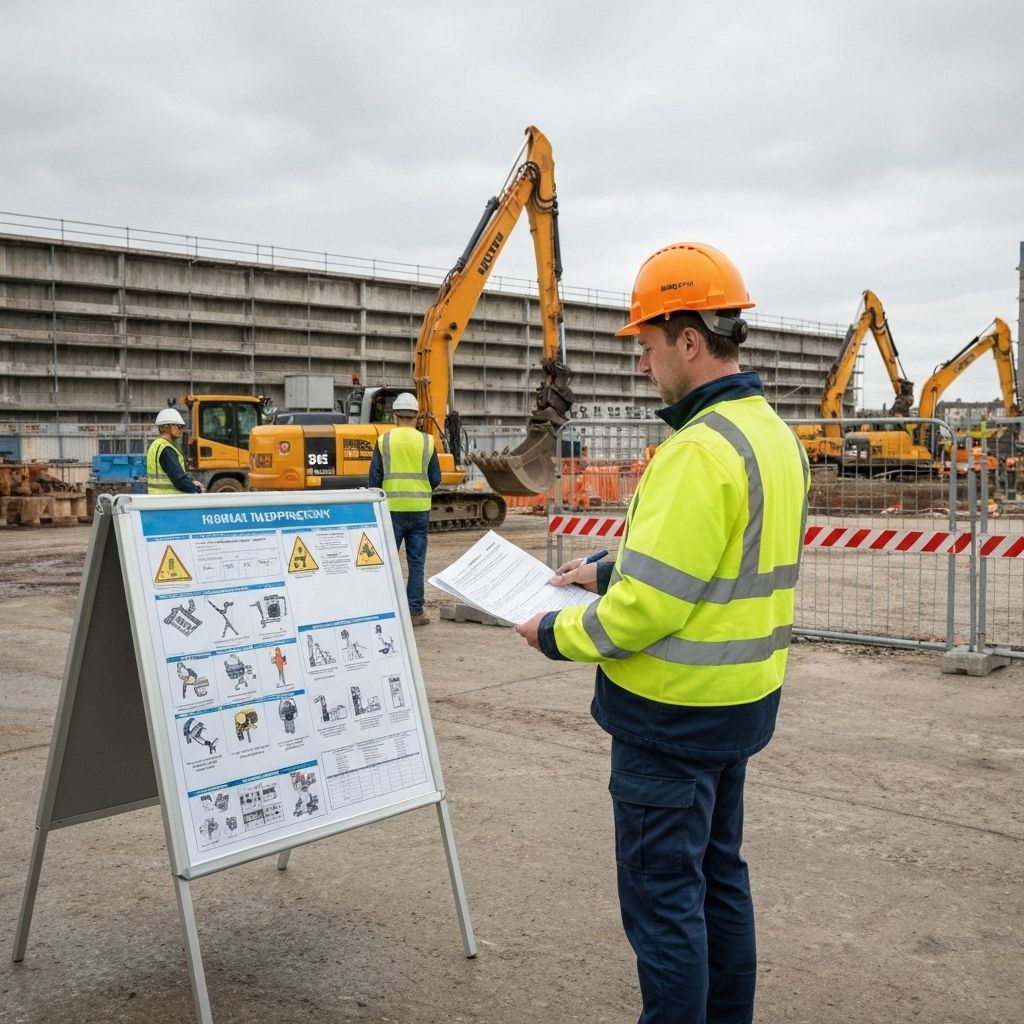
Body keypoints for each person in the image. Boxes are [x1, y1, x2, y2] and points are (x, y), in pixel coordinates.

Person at [515, 242, 809, 1024]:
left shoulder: (695, 451)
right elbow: (716, 559)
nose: (643, 362)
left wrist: (553, 631)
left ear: (688, 338)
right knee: (718, 883)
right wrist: (608, 568)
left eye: (647, 345)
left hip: (670, 717)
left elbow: (647, 613)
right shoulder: (770, 435)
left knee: (664, 907)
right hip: (739, 704)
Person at [368, 393, 441, 626]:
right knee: (416, 563)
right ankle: (415, 612)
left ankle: (385, 609)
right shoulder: (428, 441)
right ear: (417, 416)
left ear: (395, 416)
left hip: (391, 509)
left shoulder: (384, 440)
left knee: (387, 562)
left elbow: (374, 478)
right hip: (419, 509)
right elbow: (436, 477)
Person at [146, 408, 203, 494]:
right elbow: (179, 480)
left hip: (159, 500)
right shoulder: (166, 449)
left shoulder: (157, 444)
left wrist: (191, 483)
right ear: (168, 427)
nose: (181, 430)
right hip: (168, 501)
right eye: (179, 427)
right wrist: (197, 490)